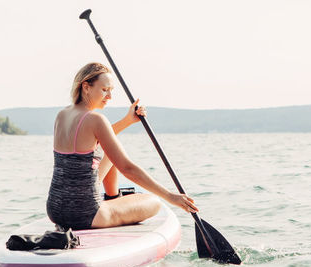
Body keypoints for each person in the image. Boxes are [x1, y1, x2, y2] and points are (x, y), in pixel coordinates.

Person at [46, 62, 198, 230]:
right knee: (154, 202)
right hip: (86, 214)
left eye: (111, 90)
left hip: (55, 210)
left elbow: (95, 139)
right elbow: (127, 168)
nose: (109, 96)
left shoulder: (62, 115)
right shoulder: (96, 119)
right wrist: (171, 196)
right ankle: (112, 203)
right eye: (104, 90)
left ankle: (112, 197)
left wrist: (127, 121)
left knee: (108, 150)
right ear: (86, 87)